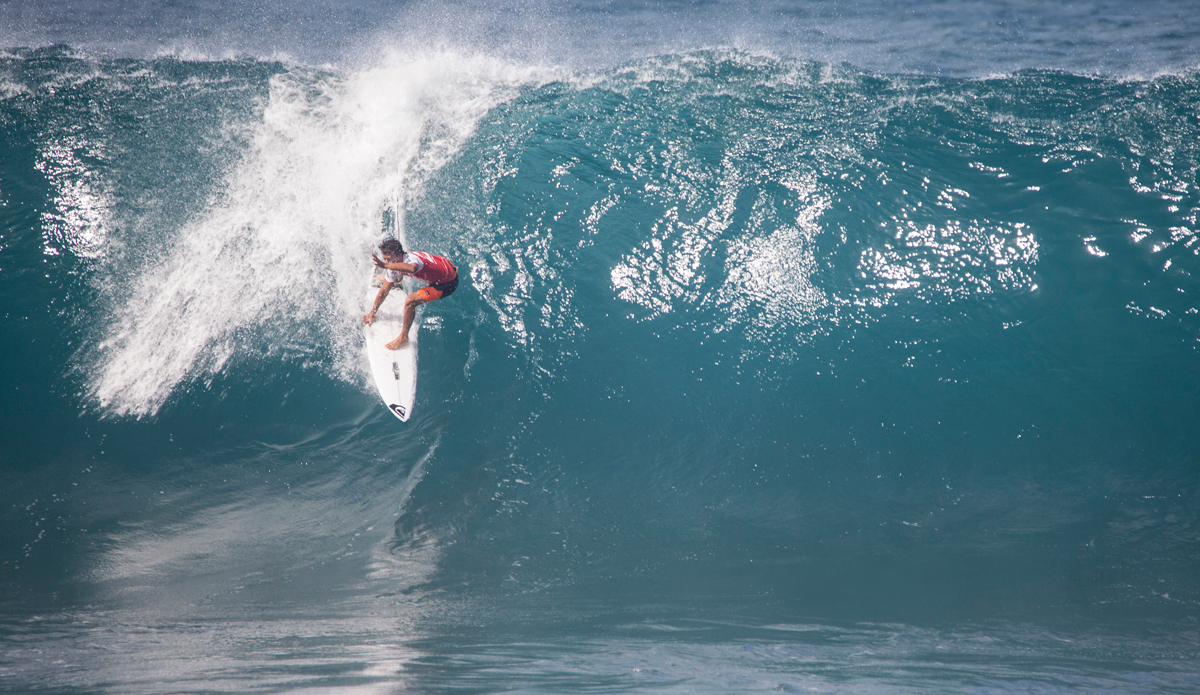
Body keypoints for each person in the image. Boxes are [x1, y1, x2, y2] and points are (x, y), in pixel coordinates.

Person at [363, 238, 458, 350]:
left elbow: (412, 268)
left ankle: (404, 337)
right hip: (443, 265)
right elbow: (384, 291)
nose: (387, 262)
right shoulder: (395, 263)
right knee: (392, 276)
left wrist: (385, 266)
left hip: (447, 282)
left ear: (399, 256)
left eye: (388, 259)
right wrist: (372, 312)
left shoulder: (412, 261)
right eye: (385, 259)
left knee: (410, 301)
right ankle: (396, 278)